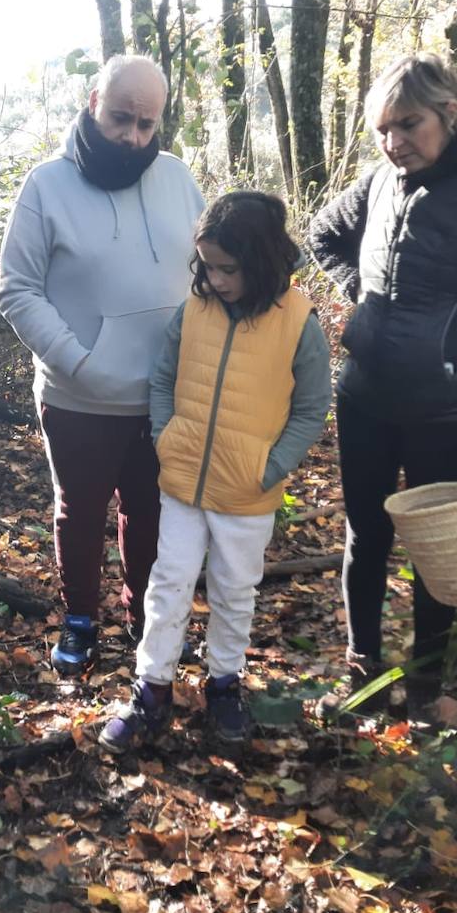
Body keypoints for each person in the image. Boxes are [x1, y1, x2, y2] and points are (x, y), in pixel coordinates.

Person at [306, 52, 457, 715]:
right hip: (366, 399)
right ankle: (362, 669)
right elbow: (323, 231)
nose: (394, 143)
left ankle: (425, 684)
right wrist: (360, 295)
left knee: (435, 551)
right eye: (383, 129)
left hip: (450, 412)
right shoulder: (381, 181)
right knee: (365, 533)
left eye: (408, 125)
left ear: (449, 112)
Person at [97, 193, 332, 750]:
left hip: (248, 492)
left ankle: (224, 685)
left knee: (234, 590)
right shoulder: (194, 309)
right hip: (182, 484)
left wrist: (271, 467)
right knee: (167, 583)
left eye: (229, 268)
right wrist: (165, 436)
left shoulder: (298, 321)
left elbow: (312, 406)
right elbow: (163, 378)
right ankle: (151, 690)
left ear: (262, 258)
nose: (216, 278)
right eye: (206, 265)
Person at [0, 54, 205, 676]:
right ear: (93, 102)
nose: (133, 137)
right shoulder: (48, 185)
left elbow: (208, 265)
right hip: (79, 394)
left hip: (164, 394)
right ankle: (81, 620)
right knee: (81, 510)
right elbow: (17, 288)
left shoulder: (174, 177)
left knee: (152, 510)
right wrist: (77, 360)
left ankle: (146, 620)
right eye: (121, 118)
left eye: (147, 124)